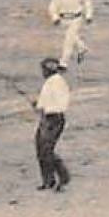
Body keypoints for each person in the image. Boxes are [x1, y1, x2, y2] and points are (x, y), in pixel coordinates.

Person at [32, 57, 71, 191]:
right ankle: (49, 180)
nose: (42, 72)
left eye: (44, 69)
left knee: (46, 150)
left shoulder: (55, 83)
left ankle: (62, 177)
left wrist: (41, 108)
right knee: (42, 149)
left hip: (52, 120)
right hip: (48, 118)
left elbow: (55, 104)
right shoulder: (53, 82)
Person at [48, 0, 94, 64]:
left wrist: (88, 16)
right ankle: (82, 48)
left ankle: (63, 62)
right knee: (72, 37)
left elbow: (87, 3)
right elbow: (52, 7)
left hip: (76, 19)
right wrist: (55, 18)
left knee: (68, 40)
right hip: (64, 19)